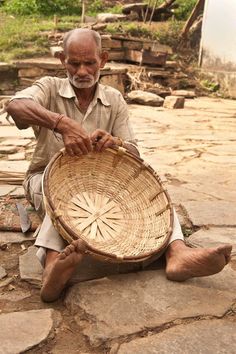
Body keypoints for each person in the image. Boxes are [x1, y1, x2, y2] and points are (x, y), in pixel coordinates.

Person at [7, 29, 232, 302]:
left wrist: (116, 144)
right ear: (61, 59)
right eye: (73, 63)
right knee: (59, 198)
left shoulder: (113, 99)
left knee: (152, 194)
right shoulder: (49, 88)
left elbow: (135, 153)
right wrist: (61, 123)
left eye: (89, 62)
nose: (81, 71)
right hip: (44, 176)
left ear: (102, 59)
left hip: (101, 182)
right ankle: (53, 265)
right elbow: (16, 105)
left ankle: (177, 254)